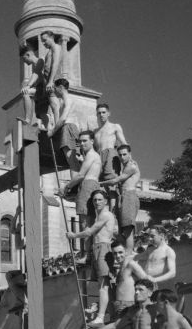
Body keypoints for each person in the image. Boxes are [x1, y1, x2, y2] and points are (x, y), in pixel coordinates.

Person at [67, 190, 114, 327]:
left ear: (105, 201)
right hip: (97, 248)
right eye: (95, 200)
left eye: (100, 199)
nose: (97, 202)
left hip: (103, 248)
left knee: (103, 286)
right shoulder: (101, 216)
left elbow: (90, 232)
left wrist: (73, 236)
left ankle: (100, 316)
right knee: (103, 285)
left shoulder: (105, 214)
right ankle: (102, 311)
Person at [59, 130, 102, 263]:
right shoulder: (91, 156)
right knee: (87, 220)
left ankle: (87, 255)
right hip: (91, 185)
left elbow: (80, 175)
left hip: (87, 185)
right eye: (80, 141)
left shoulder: (91, 155)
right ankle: (87, 254)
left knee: (85, 221)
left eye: (85, 141)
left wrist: (66, 187)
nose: (82, 144)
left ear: (92, 141)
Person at [101, 144, 140, 254]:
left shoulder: (131, 166)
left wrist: (99, 183)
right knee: (119, 231)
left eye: (125, 154)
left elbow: (115, 180)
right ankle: (127, 251)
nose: (122, 157)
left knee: (127, 230)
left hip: (129, 196)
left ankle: (129, 253)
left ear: (130, 154)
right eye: (120, 155)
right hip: (122, 197)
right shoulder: (125, 167)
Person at [93, 103, 127, 212]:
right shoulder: (95, 132)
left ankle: (113, 210)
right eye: (99, 113)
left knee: (112, 183)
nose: (101, 115)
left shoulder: (115, 126)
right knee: (98, 185)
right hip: (99, 157)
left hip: (110, 155)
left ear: (108, 113)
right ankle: (103, 212)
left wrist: (128, 161)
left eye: (103, 112)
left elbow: (124, 143)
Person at [48, 78, 80, 172]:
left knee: (71, 159)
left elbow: (64, 118)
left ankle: (75, 185)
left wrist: (52, 132)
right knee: (71, 160)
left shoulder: (67, 99)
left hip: (68, 127)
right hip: (69, 128)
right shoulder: (63, 101)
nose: (54, 90)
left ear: (61, 87)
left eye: (55, 88)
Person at [19, 44, 46, 127]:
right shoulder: (35, 65)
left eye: (24, 58)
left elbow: (36, 73)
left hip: (44, 88)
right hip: (39, 90)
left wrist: (28, 86)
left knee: (26, 92)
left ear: (28, 55)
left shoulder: (40, 60)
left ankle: (27, 119)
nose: (24, 62)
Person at [40, 30, 63, 127]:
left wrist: (50, 81)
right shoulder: (49, 51)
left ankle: (58, 125)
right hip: (49, 81)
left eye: (45, 40)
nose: (43, 43)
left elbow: (55, 64)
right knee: (52, 105)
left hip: (54, 79)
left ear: (51, 37)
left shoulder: (56, 47)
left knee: (55, 104)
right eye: (42, 41)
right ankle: (55, 124)